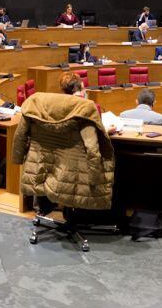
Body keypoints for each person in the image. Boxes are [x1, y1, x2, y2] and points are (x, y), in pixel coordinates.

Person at [10, 88, 115, 218]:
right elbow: (92, 150)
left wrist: (18, 159)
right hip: (72, 177)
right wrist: (96, 179)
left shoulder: (34, 104)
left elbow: (19, 137)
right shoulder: (85, 111)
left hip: (40, 168)